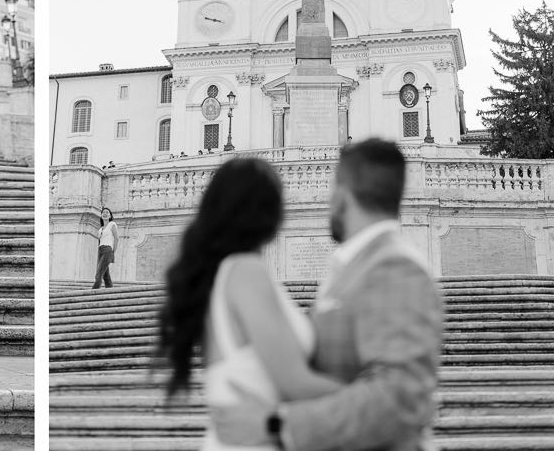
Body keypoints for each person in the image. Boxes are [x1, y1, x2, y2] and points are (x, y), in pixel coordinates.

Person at [209, 139, 444, 450]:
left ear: (343, 196)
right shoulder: (353, 267)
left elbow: (398, 400)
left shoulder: (395, 267)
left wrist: (276, 424)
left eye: (333, 189)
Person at [159, 157, 341, 450]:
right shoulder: (245, 271)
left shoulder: (225, 272)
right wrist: (381, 396)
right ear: (268, 212)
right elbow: (294, 382)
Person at [92, 207, 119, 289]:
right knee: (106, 275)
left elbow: (116, 238)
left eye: (107, 212)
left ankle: (93, 292)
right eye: (103, 212)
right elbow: (100, 241)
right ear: (101, 215)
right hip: (100, 250)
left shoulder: (112, 224)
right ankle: (110, 291)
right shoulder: (100, 230)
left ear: (110, 216)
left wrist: (113, 251)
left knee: (99, 274)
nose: (105, 213)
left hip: (108, 249)